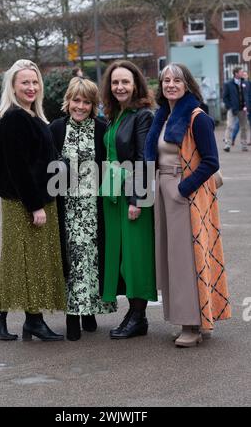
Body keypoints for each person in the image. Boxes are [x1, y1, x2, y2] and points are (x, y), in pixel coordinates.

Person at [145, 63, 231, 348]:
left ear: (187, 84)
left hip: (184, 193)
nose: (170, 84)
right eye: (166, 80)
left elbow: (211, 162)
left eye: (177, 80)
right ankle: (190, 319)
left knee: (186, 260)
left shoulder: (197, 117)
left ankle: (192, 325)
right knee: (172, 259)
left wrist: (183, 189)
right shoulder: (164, 116)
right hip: (164, 189)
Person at [0, 59, 66, 341]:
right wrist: (35, 205)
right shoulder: (15, 118)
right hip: (24, 203)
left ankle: (5, 314)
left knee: (26, 261)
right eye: (24, 82)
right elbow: (18, 168)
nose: (31, 87)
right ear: (13, 87)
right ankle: (30, 320)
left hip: (36, 199)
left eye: (34, 81)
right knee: (27, 262)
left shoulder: (31, 115)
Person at [50, 77, 116, 341]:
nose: (80, 106)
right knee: (73, 260)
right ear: (68, 101)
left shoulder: (102, 129)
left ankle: (88, 311)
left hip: (94, 208)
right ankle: (72, 316)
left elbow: (111, 164)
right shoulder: (55, 129)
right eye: (76, 100)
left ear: (93, 105)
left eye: (86, 102)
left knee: (91, 261)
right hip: (67, 208)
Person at [101, 60, 157, 339]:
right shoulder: (114, 114)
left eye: (125, 82)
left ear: (136, 84)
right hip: (113, 195)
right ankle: (133, 314)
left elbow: (143, 159)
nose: (120, 87)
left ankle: (139, 317)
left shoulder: (143, 115)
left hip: (133, 196)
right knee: (122, 257)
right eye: (115, 82)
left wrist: (137, 199)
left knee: (136, 257)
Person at [223, 66, 251, 152]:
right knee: (230, 126)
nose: (243, 73)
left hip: (243, 109)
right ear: (236, 73)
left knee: (244, 127)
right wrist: (229, 106)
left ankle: (244, 145)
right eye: (241, 72)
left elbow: (249, 95)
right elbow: (225, 97)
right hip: (233, 109)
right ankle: (227, 144)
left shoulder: (246, 83)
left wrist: (248, 106)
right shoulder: (228, 84)